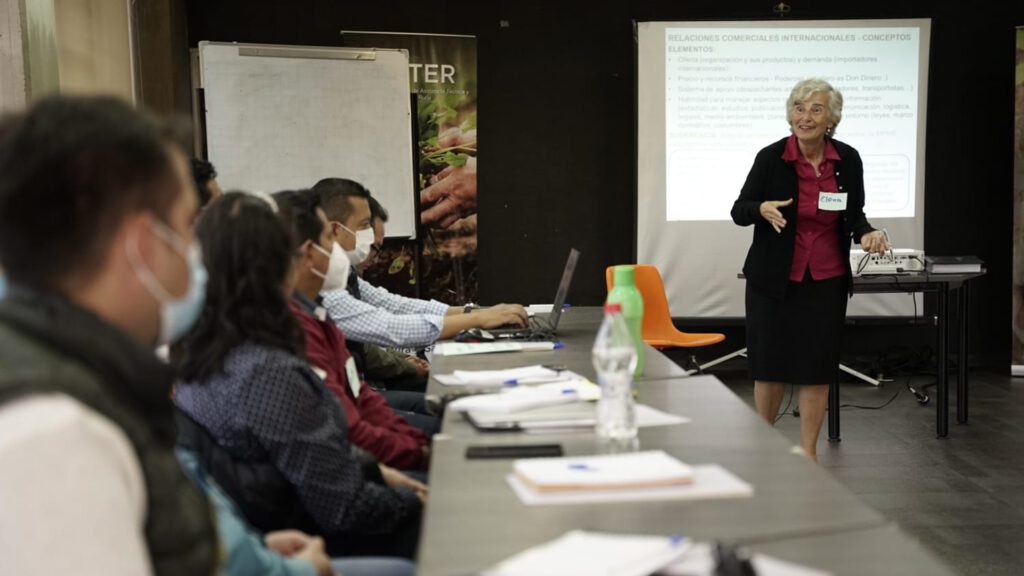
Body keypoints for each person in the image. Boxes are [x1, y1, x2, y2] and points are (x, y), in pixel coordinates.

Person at [0, 96, 218, 575]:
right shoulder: (52, 436)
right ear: (144, 244)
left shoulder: (74, 376)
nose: (197, 251)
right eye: (187, 225)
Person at [173, 192, 424, 559]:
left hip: (282, 526)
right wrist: (417, 502)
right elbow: (345, 507)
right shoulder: (267, 367)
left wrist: (377, 471)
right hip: (312, 534)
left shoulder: (207, 347)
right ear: (284, 263)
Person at [730, 78, 889, 462]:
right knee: (768, 366)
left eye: (816, 109)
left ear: (831, 118)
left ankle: (808, 453)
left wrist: (867, 233)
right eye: (799, 108)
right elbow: (740, 209)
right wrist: (760, 209)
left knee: (816, 366)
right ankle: (764, 449)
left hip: (826, 278)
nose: (806, 116)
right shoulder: (771, 157)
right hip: (773, 279)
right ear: (790, 115)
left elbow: (854, 215)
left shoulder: (847, 160)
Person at [273, 190, 434, 470]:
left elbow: (361, 397)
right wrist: (420, 453)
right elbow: (347, 430)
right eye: (328, 240)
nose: (336, 251)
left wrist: (417, 446)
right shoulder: (293, 328)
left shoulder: (318, 314)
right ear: (308, 253)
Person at [313, 177, 527, 349]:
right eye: (363, 226)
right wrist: (478, 320)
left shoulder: (339, 272)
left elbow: (393, 306)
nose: (368, 237)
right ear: (334, 230)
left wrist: (477, 313)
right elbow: (389, 327)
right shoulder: (316, 280)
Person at [176, 447, 416, 576]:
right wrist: (307, 569)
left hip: (269, 539)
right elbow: (344, 506)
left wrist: (261, 544)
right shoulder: (268, 373)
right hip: (313, 523)